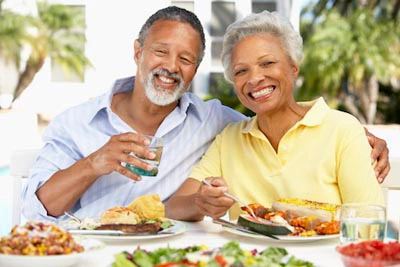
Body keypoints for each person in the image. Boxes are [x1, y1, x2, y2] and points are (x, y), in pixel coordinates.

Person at [22, 7, 388, 222]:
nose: (170, 67)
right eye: (160, 52)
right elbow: (36, 210)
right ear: (138, 52)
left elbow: (277, 118)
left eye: (185, 59)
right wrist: (94, 163)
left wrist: (357, 137)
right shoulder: (77, 122)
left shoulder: (215, 123)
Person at [165, 10, 385, 221]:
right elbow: (174, 207)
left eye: (267, 63)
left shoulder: (342, 130)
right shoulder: (229, 138)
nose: (254, 78)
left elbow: (368, 222)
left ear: (293, 67)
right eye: (241, 71)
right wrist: (200, 202)